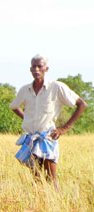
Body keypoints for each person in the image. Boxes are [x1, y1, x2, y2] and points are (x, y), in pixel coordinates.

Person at [9, 55, 87, 189]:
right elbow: (14, 106)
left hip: (48, 137)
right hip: (32, 137)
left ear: (46, 68)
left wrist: (64, 128)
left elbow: (82, 104)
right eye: (34, 66)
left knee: (51, 177)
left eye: (40, 66)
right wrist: (26, 118)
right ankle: (40, 205)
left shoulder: (56, 87)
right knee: (36, 178)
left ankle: (56, 206)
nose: (36, 69)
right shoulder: (25, 90)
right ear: (30, 69)